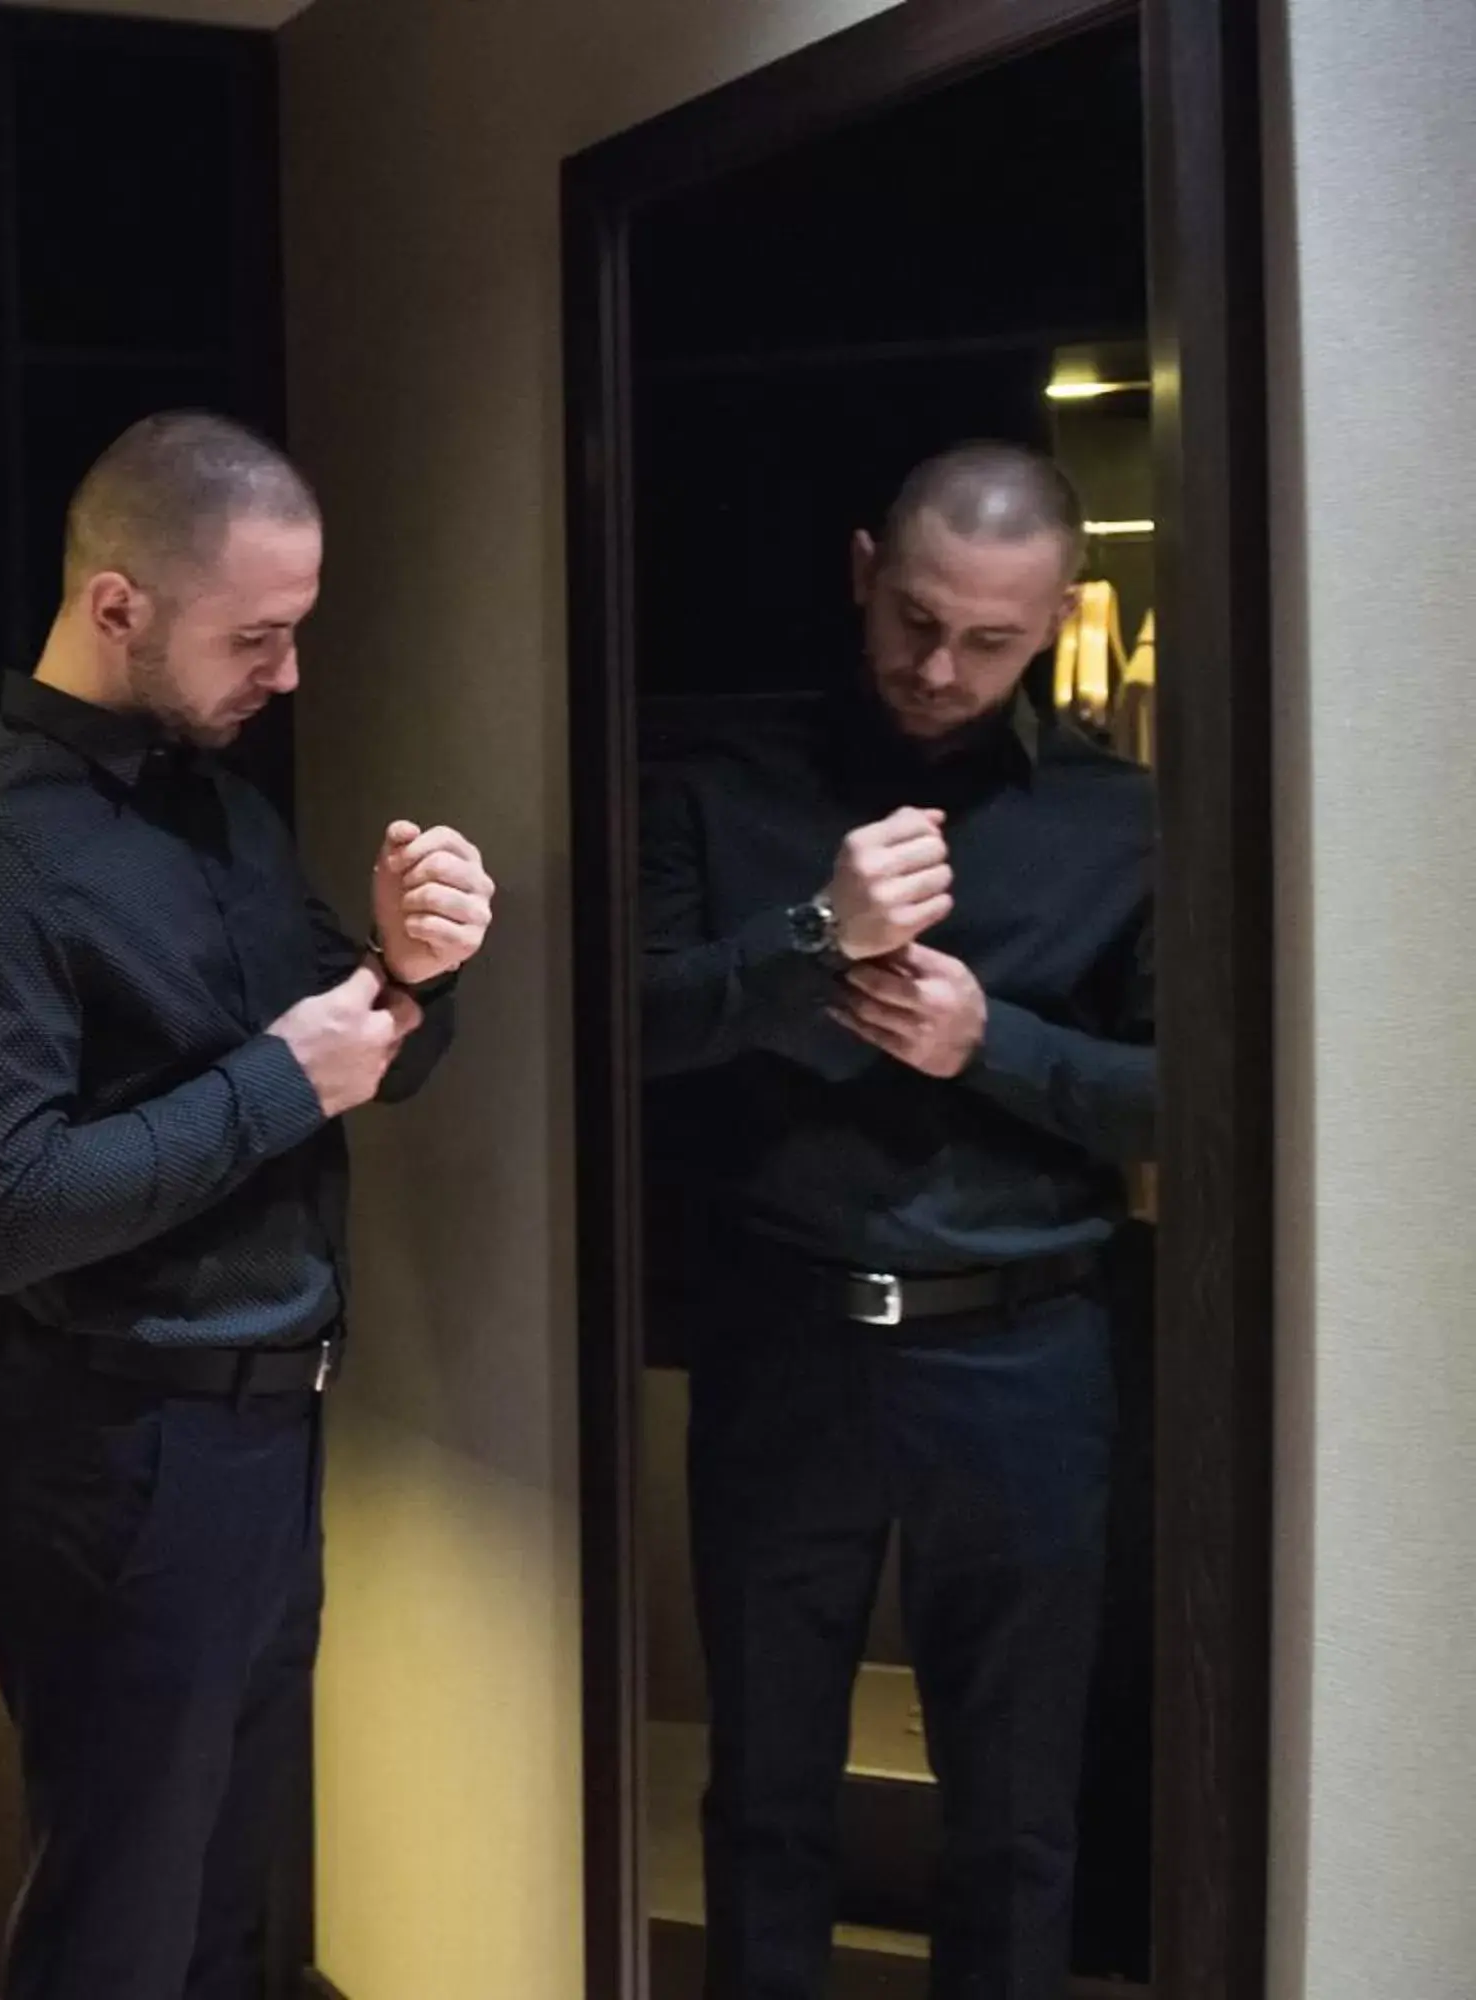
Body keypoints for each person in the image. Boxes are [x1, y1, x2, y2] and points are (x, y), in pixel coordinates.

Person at [0, 411, 494, 1999]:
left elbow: (358, 1068)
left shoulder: (221, 804)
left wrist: (405, 979)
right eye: (260, 638)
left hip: (263, 1436)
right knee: (117, 1935)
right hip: (117, 1455)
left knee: (229, 1916)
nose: (289, 678)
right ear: (115, 608)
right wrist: (282, 1080)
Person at [640, 441, 1154, 2000]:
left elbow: (1183, 1104)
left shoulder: (1123, 823)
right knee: (767, 1794)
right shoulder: (722, 782)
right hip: (784, 1336)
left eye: (990, 640)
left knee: (1016, 1815)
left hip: (1027, 1354)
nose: (941, 667)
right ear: (865, 570)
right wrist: (812, 937)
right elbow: (633, 1029)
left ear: (1055, 614)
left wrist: (984, 1040)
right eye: (916, 618)